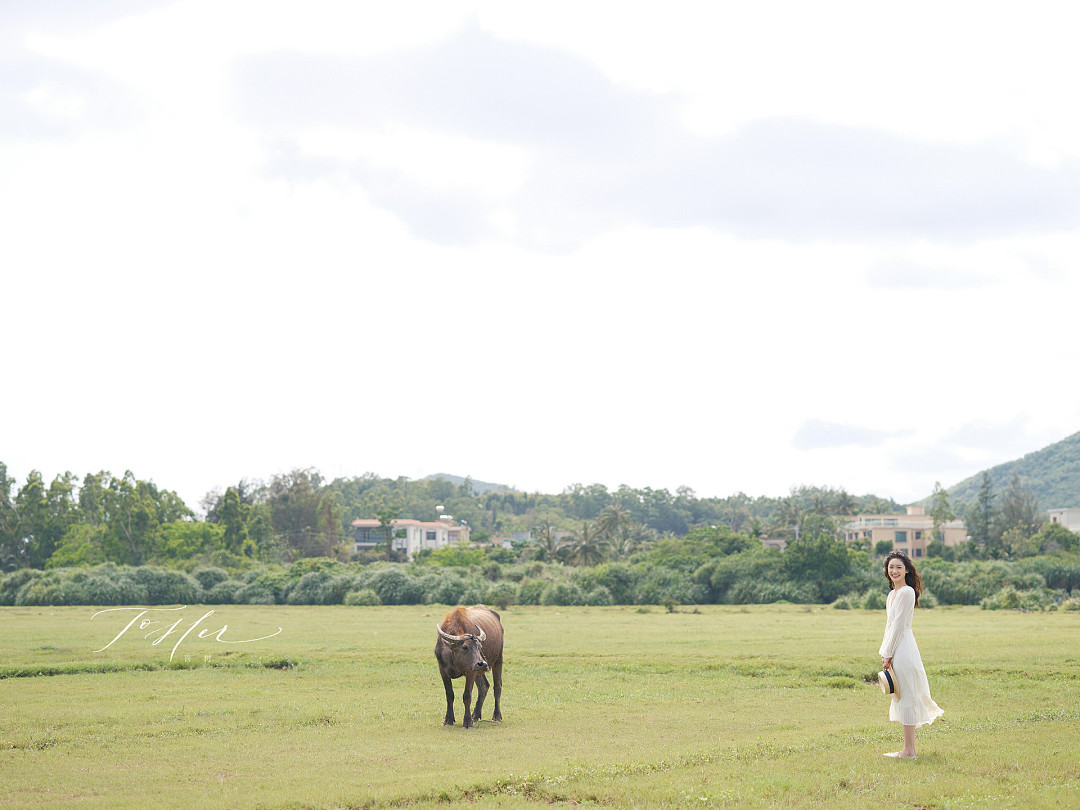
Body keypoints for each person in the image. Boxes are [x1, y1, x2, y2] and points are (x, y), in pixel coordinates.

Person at [879, 551, 944, 759]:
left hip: (904, 648)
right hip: (894, 648)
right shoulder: (892, 594)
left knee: (907, 695)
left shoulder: (907, 592)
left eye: (899, 567)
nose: (894, 571)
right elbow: (889, 626)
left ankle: (909, 751)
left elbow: (899, 626)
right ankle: (908, 749)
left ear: (907, 570)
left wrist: (888, 653)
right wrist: (884, 652)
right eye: (891, 567)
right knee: (901, 695)